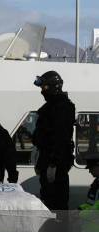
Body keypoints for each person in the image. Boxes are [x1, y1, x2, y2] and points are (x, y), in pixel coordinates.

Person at [32, 70, 76, 210]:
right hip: (49, 160)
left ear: (53, 87)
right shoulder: (51, 108)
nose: (42, 92)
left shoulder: (62, 108)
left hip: (55, 163)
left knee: (56, 201)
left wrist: (53, 163)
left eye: (44, 88)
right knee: (48, 198)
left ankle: (57, 230)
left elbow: (61, 137)